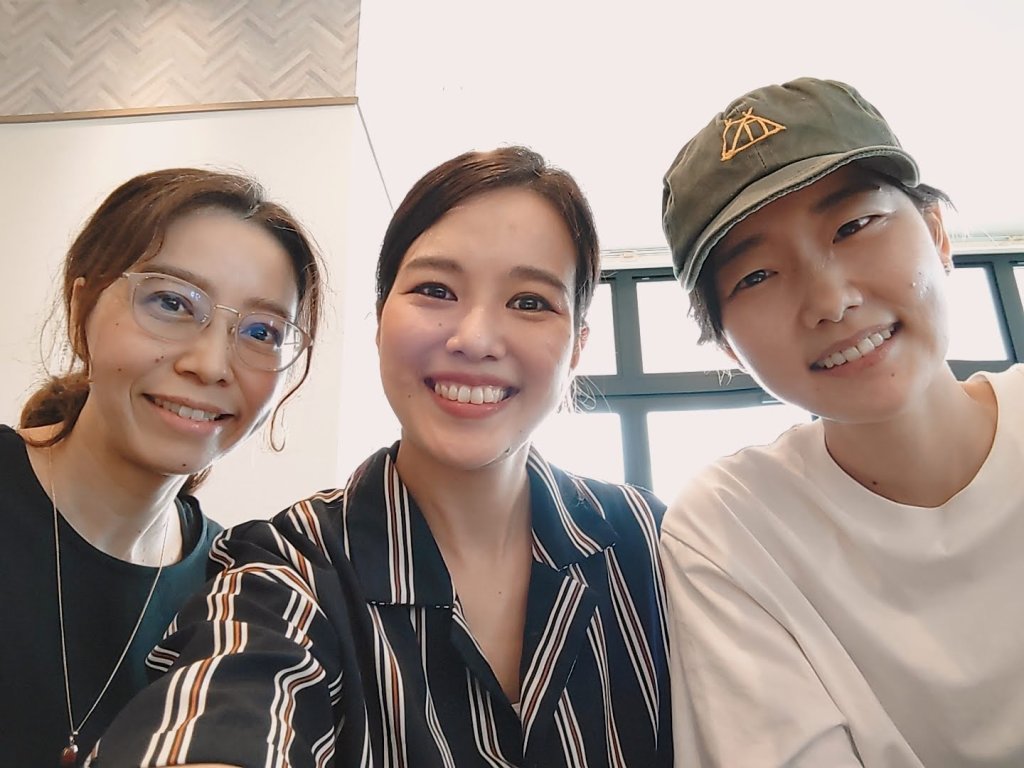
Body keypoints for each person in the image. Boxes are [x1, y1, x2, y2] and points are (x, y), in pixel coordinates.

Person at [89, 146, 673, 767]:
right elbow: (231, 704)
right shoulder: (289, 563)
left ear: (578, 345)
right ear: (379, 321)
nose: (475, 339)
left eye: (530, 302)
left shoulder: (655, 544)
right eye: (435, 290)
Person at [657, 77, 1024, 767]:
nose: (828, 300)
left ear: (938, 234)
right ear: (729, 345)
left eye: (853, 227)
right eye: (756, 276)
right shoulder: (732, 525)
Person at [0, 168, 325, 767]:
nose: (211, 364)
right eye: (172, 303)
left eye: (261, 331)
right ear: (81, 309)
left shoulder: (237, 591)